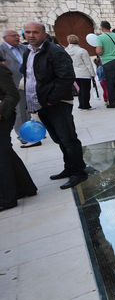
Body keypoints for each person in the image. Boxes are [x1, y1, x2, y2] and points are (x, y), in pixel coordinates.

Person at [22, 22, 88, 189]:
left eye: (35, 32)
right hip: (41, 103)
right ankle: (69, 168)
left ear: (44, 34)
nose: (31, 35)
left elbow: (66, 77)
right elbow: (30, 77)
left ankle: (79, 172)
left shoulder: (55, 51)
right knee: (59, 139)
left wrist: (52, 99)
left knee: (68, 139)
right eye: (28, 32)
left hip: (57, 103)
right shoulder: (28, 52)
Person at [0, 59, 37, 211]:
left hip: (3, 117)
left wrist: (1, 110)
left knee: (2, 155)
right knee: (6, 152)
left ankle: (8, 199)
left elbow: (13, 95)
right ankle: (25, 187)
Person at [0, 30, 31, 146]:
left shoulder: (23, 48)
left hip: (29, 83)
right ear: (5, 37)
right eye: (14, 36)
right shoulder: (1, 50)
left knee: (29, 110)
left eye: (18, 35)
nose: (17, 37)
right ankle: (22, 135)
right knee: (19, 112)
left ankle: (31, 131)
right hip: (13, 86)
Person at [65, 34, 95, 110]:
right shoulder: (82, 51)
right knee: (86, 90)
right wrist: (92, 73)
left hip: (74, 73)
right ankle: (86, 105)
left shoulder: (66, 51)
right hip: (84, 73)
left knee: (79, 90)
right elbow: (88, 63)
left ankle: (81, 104)